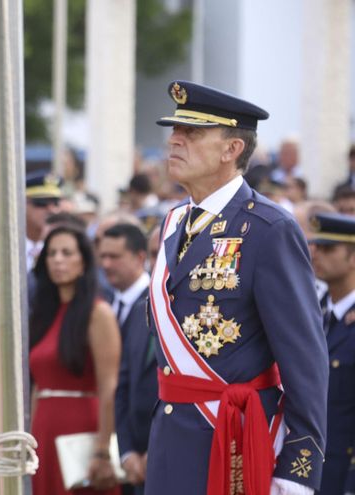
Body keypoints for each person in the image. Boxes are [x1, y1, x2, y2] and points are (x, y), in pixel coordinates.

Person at [148, 80, 327, 494]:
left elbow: (305, 359)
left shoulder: (268, 228)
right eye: (175, 130)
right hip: (172, 437)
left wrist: (297, 470)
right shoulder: (174, 223)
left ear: (232, 149)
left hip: (235, 439)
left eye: (191, 133)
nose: (175, 140)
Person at [30, 224, 121, 495]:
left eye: (67, 253)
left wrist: (103, 451)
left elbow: (109, 386)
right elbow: (38, 383)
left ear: (83, 261)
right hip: (43, 430)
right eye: (52, 253)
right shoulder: (43, 314)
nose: (58, 259)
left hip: (82, 430)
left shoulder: (98, 313)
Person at [99, 223, 153, 495]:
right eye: (103, 257)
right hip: (126, 452)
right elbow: (121, 384)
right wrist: (126, 451)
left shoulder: (158, 304)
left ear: (140, 258)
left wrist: (149, 451)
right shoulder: (103, 302)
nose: (107, 264)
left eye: (115, 257)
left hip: (154, 454)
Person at [308, 213, 355, 495]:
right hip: (313, 469)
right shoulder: (317, 314)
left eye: (328, 249)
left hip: (344, 473)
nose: (317, 255)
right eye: (317, 247)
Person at [25, 170, 64, 271]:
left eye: (55, 203)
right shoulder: (7, 248)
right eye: (41, 203)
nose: (51, 210)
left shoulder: (65, 248)